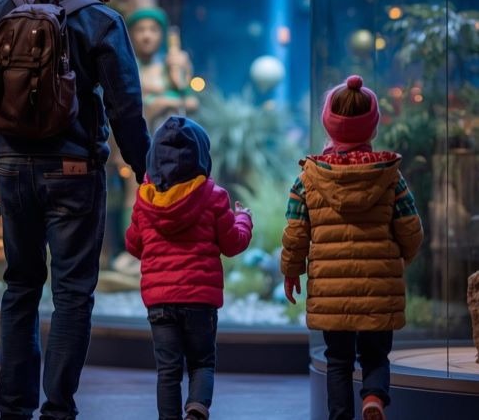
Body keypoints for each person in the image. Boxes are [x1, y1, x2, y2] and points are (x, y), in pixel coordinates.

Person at [0, 0, 151, 418]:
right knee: (73, 294)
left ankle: (13, 408)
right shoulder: (101, 20)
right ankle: (58, 410)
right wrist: (145, 171)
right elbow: (126, 108)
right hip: (74, 171)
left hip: (10, 169)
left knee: (20, 287)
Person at [280, 75, 423, 420]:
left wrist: (291, 270)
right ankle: (373, 397)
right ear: (373, 127)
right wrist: (404, 255)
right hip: (378, 284)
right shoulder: (390, 175)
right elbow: (410, 227)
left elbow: (295, 232)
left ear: (328, 124)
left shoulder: (308, 177)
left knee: (338, 360)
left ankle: (340, 415)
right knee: (375, 355)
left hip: (332, 289)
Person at [125, 116, 253, 420]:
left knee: (167, 370)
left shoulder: (145, 198)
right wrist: (244, 219)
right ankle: (196, 408)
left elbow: (133, 245)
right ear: (201, 155)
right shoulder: (214, 196)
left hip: (159, 302)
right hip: (200, 302)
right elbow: (232, 243)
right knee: (202, 363)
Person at [126, 7, 199, 132]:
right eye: (140, 30)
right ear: (131, 34)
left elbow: (192, 102)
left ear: (161, 34)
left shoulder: (168, 67)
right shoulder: (126, 68)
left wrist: (164, 102)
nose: (146, 36)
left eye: (153, 30)